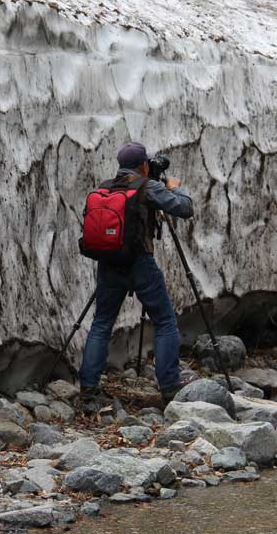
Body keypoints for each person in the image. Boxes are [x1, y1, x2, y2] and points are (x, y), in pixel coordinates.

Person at [78, 142, 194, 408]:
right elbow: (185, 208)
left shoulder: (104, 188)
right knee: (165, 322)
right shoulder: (148, 187)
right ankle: (169, 388)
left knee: (101, 323)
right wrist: (175, 187)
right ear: (143, 165)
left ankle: (88, 389)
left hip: (108, 264)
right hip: (140, 263)